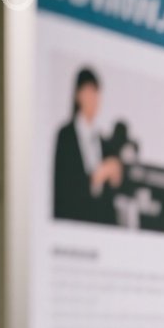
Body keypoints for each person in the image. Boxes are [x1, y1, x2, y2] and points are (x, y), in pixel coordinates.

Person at [53, 68, 122, 225]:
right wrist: (96, 177)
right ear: (78, 95)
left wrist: (115, 176)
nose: (94, 99)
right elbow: (64, 190)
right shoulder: (65, 136)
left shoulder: (104, 142)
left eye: (97, 93)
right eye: (89, 92)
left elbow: (112, 193)